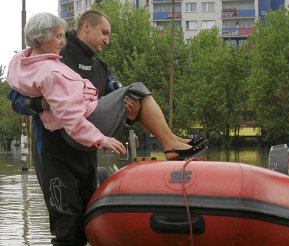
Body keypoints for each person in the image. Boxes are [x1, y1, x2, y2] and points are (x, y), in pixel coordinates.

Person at [7, 12, 206, 246]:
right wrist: (42, 103)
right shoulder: (55, 55)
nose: (107, 40)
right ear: (86, 27)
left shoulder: (101, 68)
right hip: (54, 150)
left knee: (88, 219)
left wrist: (130, 117)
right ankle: (171, 144)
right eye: (104, 33)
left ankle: (171, 142)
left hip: (87, 149)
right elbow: (15, 99)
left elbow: (116, 102)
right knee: (66, 225)